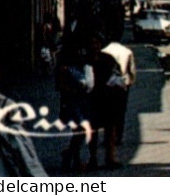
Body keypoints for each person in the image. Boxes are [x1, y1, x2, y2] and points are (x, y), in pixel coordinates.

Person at [56, 38, 93, 172]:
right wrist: (77, 88)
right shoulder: (64, 68)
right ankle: (73, 158)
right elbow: (61, 86)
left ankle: (71, 156)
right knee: (79, 130)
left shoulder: (79, 65)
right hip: (71, 102)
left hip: (80, 101)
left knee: (80, 131)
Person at [97, 35, 135, 168]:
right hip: (120, 86)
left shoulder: (104, 52)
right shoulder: (127, 51)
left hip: (102, 89)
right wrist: (129, 83)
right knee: (120, 113)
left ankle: (97, 155)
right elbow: (131, 72)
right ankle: (118, 137)